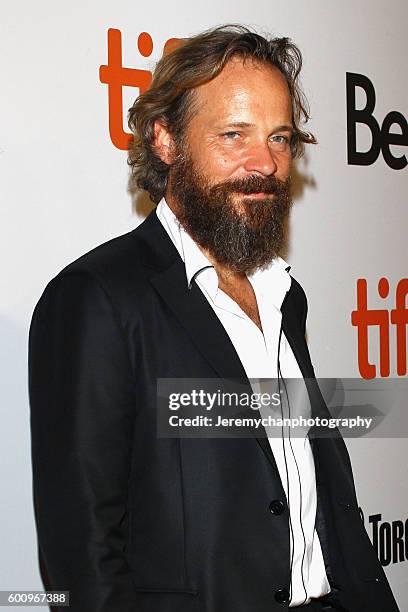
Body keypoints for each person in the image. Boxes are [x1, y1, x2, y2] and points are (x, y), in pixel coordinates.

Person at [28, 25, 399, 612]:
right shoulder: (95, 298)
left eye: (279, 138)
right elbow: (83, 555)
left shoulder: (283, 293)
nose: (266, 164)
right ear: (167, 141)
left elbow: (315, 486)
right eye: (234, 135)